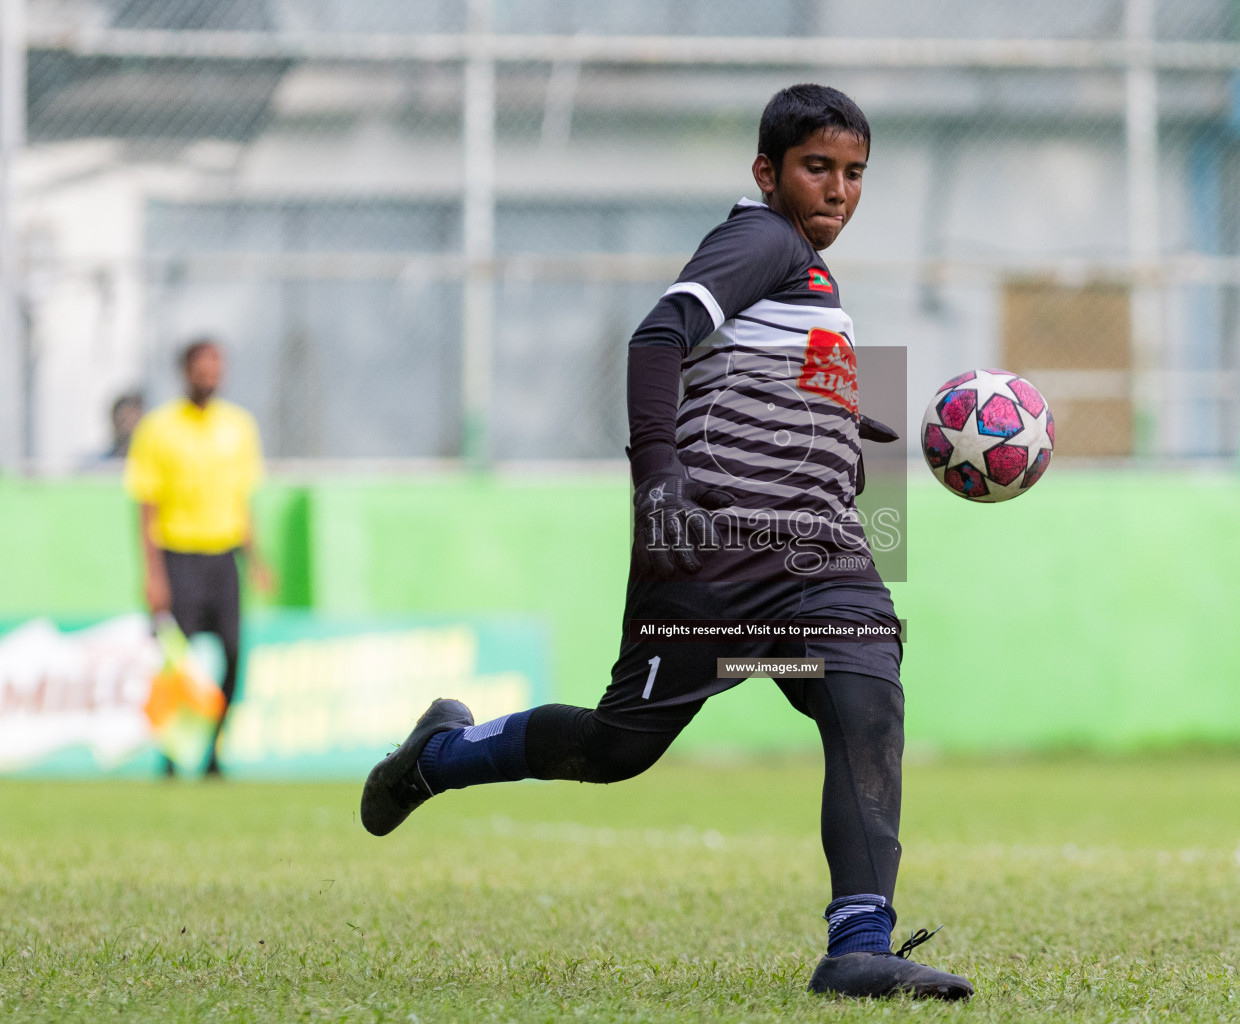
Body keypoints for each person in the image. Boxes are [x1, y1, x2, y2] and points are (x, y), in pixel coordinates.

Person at [360, 84, 974, 1001]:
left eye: (855, 174)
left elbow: (778, 381)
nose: (839, 189)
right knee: (618, 748)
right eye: (818, 168)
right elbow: (658, 340)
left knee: (867, 694)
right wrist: (659, 476)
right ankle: (440, 756)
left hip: (815, 556)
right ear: (767, 173)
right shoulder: (762, 238)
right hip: (712, 550)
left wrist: (858, 420)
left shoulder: (809, 272)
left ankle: (859, 944)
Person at [124, 338, 271, 777]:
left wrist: (256, 559)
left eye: (216, 366)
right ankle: (170, 756)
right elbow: (146, 505)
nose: (209, 374)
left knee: (232, 653)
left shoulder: (239, 427)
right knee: (174, 663)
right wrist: (153, 575)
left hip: (223, 557)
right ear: (185, 371)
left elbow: (243, 503)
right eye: (201, 366)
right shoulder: (159, 428)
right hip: (178, 556)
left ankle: (214, 752)